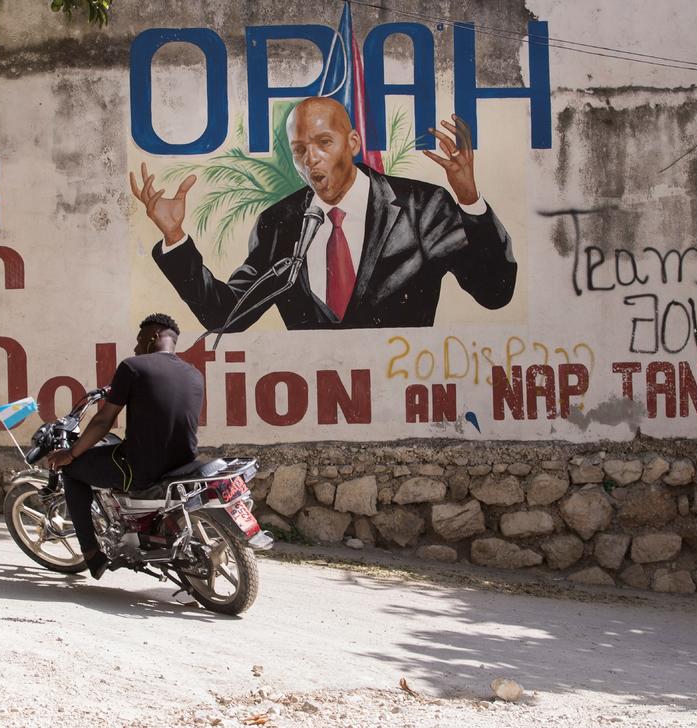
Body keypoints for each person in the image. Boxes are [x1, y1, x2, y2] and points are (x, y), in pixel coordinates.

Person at [130, 96, 516, 331]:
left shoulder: (422, 207)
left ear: (352, 143)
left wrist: (469, 200)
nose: (310, 158)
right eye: (299, 149)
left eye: (323, 143)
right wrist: (175, 239)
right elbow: (226, 316)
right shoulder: (278, 223)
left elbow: (495, 293)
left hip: (404, 400)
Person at [45, 313, 203, 579]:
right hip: (184, 465)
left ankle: (91, 555)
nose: (136, 347)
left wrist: (70, 454)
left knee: (73, 470)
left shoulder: (133, 367)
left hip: (141, 469)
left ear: (154, 337)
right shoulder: (194, 374)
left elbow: (104, 420)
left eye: (139, 341)